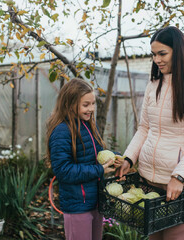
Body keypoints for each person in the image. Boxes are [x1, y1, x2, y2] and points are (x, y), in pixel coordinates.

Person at [118, 26, 184, 240]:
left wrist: (178, 177)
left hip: (177, 183)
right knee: (153, 237)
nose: (157, 60)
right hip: (149, 178)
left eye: (162, 53)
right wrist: (128, 158)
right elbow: (144, 128)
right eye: (153, 54)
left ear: (178, 52)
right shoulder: (153, 85)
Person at [46, 78, 117, 240]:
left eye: (93, 104)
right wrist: (99, 169)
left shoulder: (89, 125)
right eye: (86, 105)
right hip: (78, 205)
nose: (91, 109)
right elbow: (63, 171)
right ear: (69, 104)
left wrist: (114, 160)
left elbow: (97, 156)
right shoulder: (61, 131)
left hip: (95, 202)